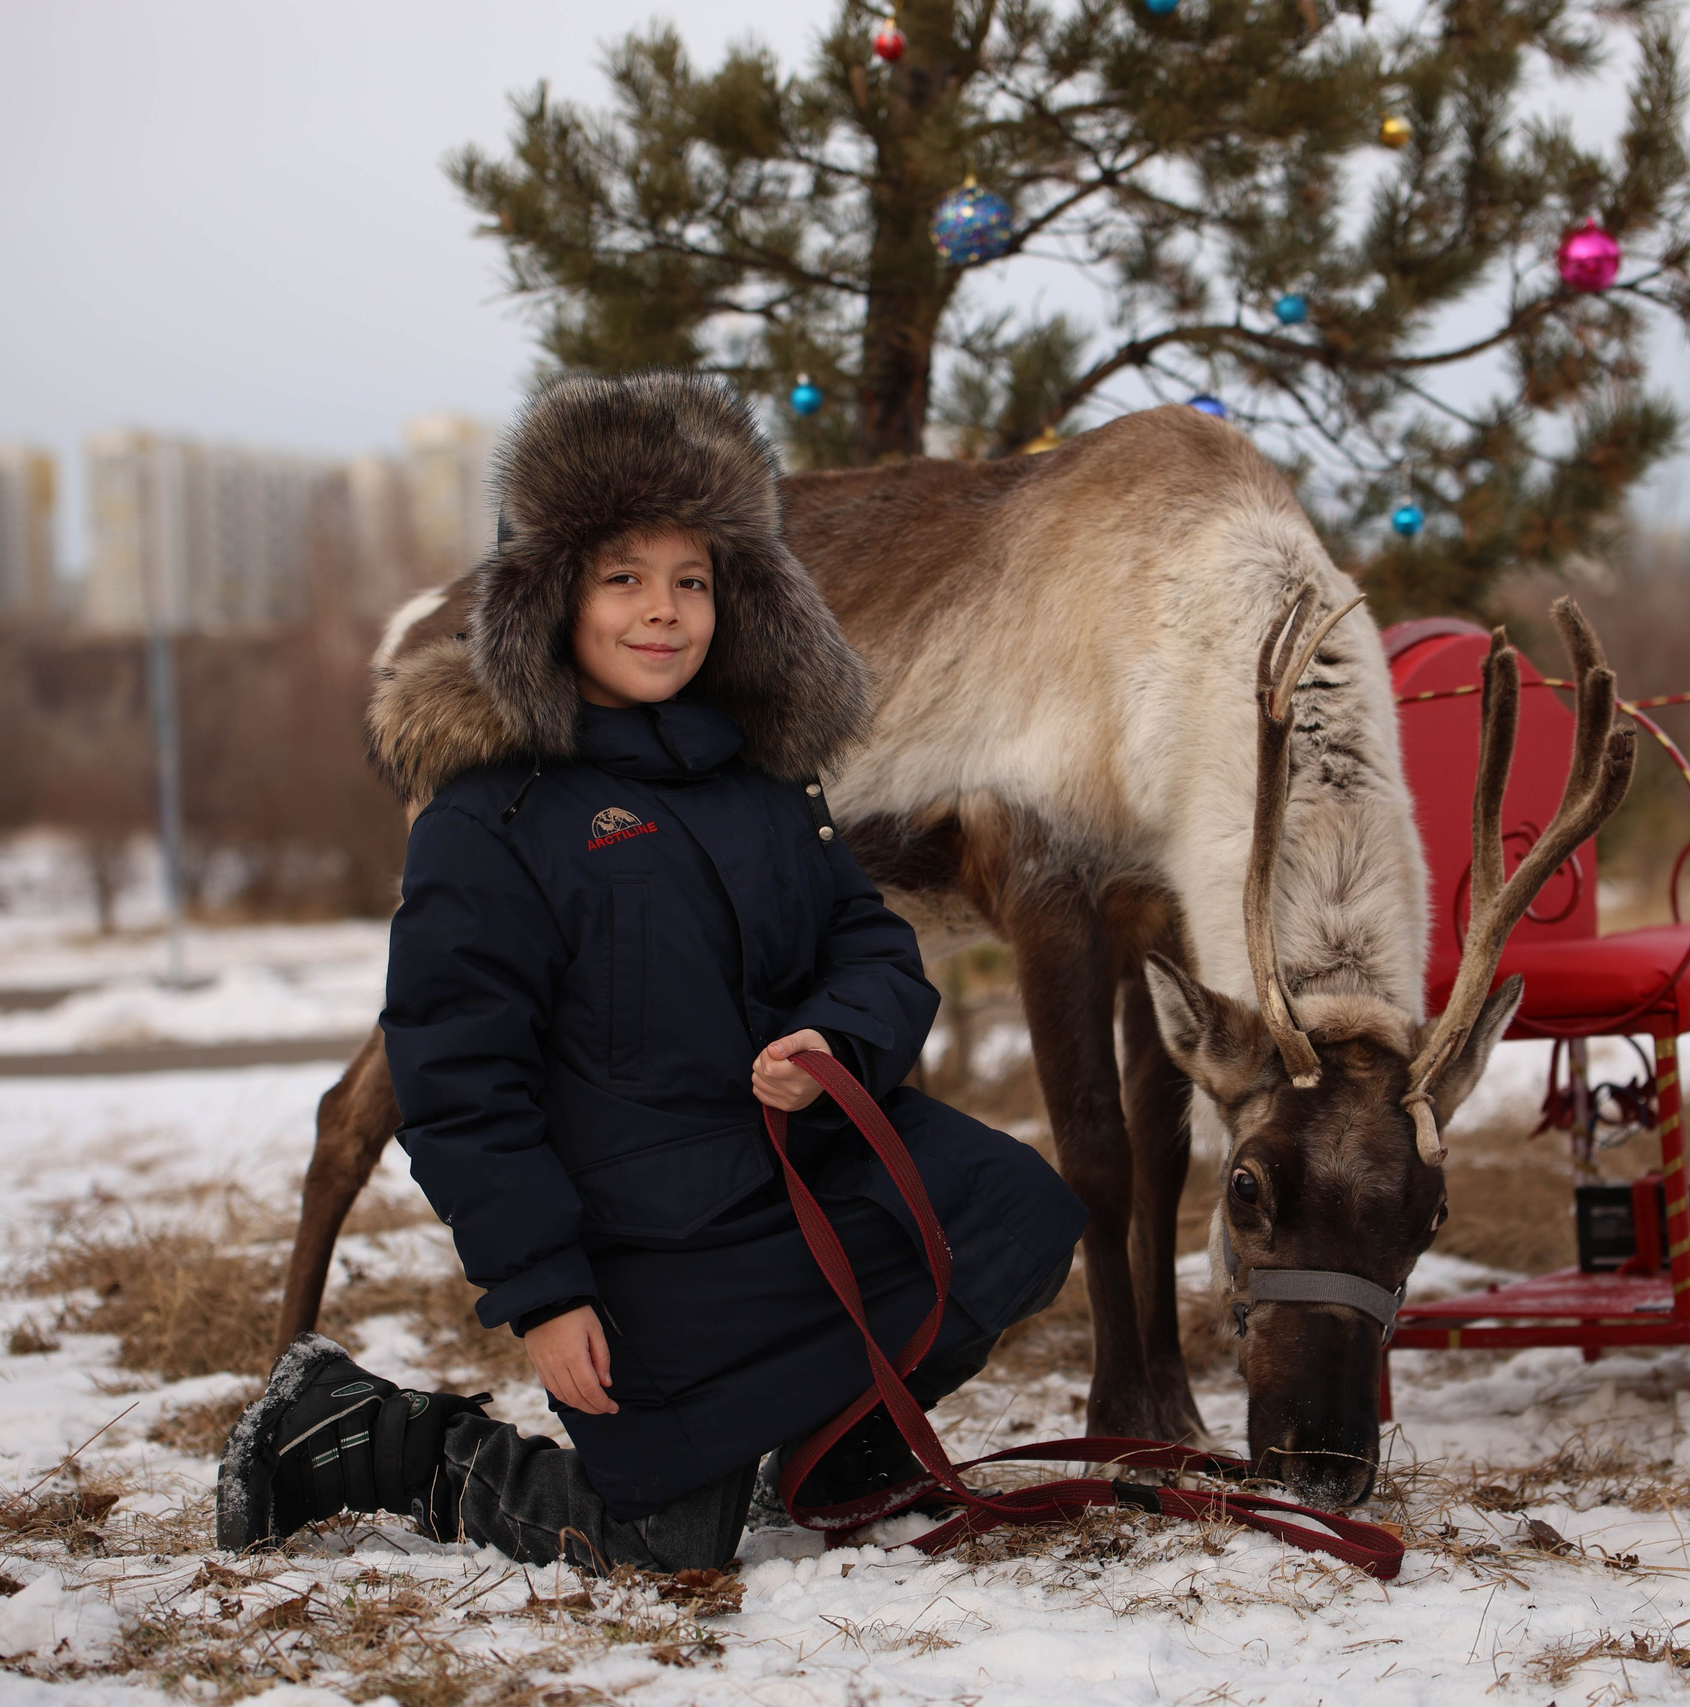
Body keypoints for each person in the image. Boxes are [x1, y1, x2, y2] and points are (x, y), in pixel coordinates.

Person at [217, 373, 1086, 1571]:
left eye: (691, 580)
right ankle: (355, 1430)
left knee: (1019, 1217)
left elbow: (870, 944)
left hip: (805, 1170)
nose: (662, 613)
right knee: (665, 1544)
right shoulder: (491, 815)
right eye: (623, 578)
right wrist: (544, 1291)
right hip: (643, 1243)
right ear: (551, 596)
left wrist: (834, 1036)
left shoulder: (767, 773)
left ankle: (825, 1459)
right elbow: (460, 1077)